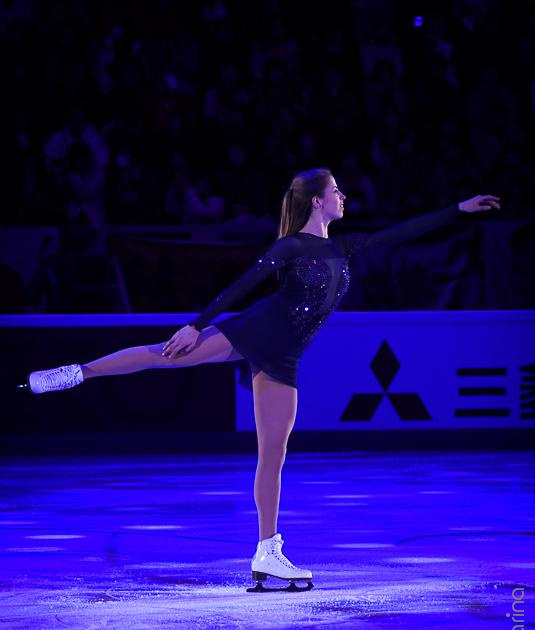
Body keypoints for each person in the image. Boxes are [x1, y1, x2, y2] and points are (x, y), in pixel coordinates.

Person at [21, 168, 501, 590]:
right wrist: (195, 324)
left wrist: (458, 209)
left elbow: (401, 233)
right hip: (253, 330)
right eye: (336, 191)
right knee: (163, 356)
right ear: (316, 200)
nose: (343, 197)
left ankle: (266, 552)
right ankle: (74, 373)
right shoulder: (292, 245)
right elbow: (243, 286)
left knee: (273, 453)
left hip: (285, 358)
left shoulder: (346, 247)